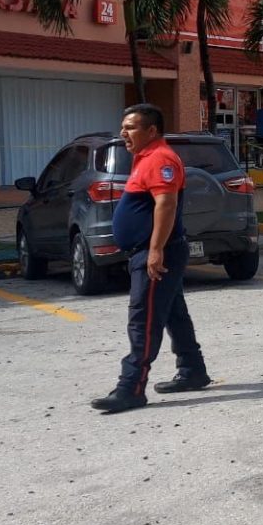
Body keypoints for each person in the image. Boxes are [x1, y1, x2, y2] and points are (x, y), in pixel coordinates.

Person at [91, 104, 211, 413]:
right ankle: (192, 371)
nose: (123, 133)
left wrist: (155, 250)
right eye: (123, 127)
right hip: (152, 250)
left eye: (130, 127)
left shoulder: (160, 158)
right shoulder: (145, 158)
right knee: (173, 313)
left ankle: (131, 387)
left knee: (143, 318)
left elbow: (166, 204)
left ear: (152, 130)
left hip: (158, 252)